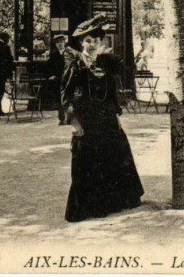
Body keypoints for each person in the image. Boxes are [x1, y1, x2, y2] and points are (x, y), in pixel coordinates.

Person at [62, 14, 144, 222]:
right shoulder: (75, 66)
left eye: (96, 41)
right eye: (88, 41)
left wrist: (116, 115)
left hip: (106, 119)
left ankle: (115, 202)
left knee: (114, 155)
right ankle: (91, 207)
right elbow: (65, 94)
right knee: (88, 161)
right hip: (87, 121)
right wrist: (73, 121)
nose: (92, 45)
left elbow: (112, 93)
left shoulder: (105, 63)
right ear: (81, 42)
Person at [42, 34, 71, 125]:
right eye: (57, 42)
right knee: (60, 99)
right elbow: (48, 68)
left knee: (69, 98)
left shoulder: (70, 52)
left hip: (69, 79)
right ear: (55, 44)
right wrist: (51, 75)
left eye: (61, 42)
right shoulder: (53, 55)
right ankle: (62, 119)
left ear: (64, 42)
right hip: (58, 80)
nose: (59, 44)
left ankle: (70, 118)